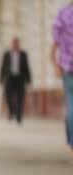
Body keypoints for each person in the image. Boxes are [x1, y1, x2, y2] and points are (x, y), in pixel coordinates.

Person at [51, 2, 73, 152]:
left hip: (67, 67)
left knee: (71, 105)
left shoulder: (63, 14)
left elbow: (54, 44)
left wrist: (55, 65)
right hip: (67, 68)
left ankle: (72, 143)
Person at [0, 37, 32, 125]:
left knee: (21, 98)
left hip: (20, 78)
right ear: (12, 44)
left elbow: (27, 67)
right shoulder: (7, 54)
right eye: (14, 43)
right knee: (8, 96)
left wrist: (29, 80)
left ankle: (19, 116)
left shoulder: (23, 54)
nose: (15, 45)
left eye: (17, 43)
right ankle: (11, 111)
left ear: (19, 44)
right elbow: (3, 66)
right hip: (10, 78)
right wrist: (1, 78)